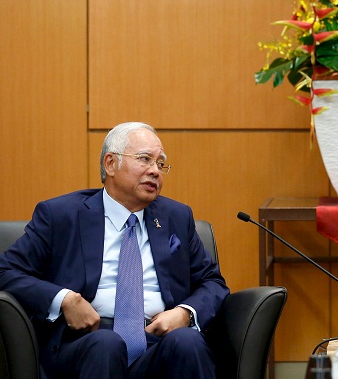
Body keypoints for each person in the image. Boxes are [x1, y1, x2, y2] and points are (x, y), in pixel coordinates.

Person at [0, 122, 229, 378]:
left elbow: (212, 282)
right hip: (85, 343)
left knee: (188, 342)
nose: (155, 171)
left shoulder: (176, 217)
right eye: (145, 159)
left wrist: (184, 314)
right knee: (106, 345)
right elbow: (6, 271)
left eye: (161, 163)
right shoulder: (60, 215)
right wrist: (64, 298)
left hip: (157, 341)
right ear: (110, 164)